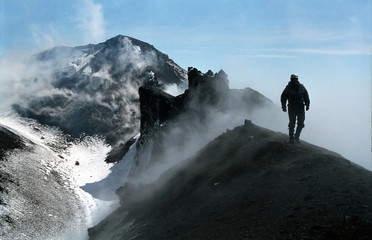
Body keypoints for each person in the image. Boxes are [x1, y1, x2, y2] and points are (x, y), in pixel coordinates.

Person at [281, 74, 310, 143]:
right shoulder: (288, 88)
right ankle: (291, 138)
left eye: (295, 79)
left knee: (301, 122)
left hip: (300, 107)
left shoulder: (301, 87)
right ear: (291, 79)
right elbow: (283, 97)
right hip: (292, 107)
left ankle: (296, 137)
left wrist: (307, 105)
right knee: (292, 123)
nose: (294, 80)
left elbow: (306, 96)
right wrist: (284, 106)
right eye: (293, 79)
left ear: (297, 79)